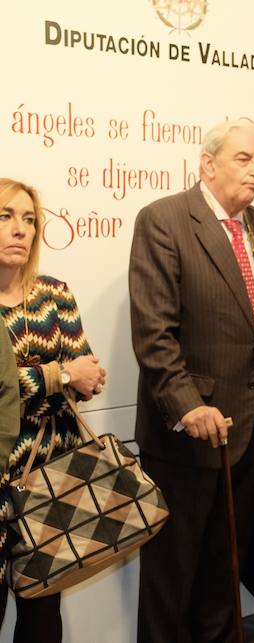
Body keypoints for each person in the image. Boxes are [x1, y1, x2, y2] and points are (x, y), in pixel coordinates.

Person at [129, 120, 254, 642]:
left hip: (247, 436)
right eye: (244, 159)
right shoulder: (165, 221)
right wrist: (187, 405)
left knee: (224, 578)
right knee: (172, 582)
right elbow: (155, 334)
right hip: (187, 437)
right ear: (208, 163)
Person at [0, 179, 106, 642]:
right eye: (5, 216)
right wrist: (56, 374)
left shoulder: (54, 295)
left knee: (43, 619)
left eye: (29, 219)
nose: (20, 230)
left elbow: (87, 377)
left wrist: (66, 376)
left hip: (50, 479)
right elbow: (55, 377)